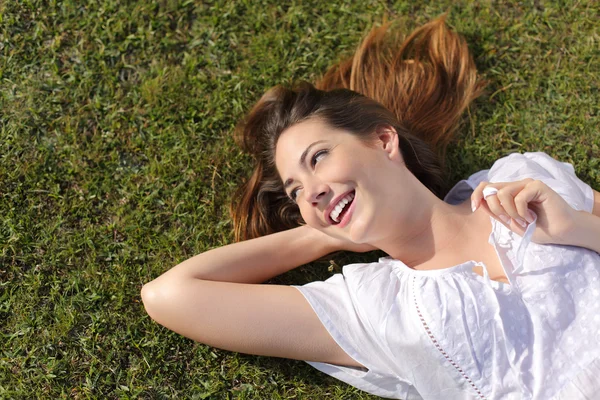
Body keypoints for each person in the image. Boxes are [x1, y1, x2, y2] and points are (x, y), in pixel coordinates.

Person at [140, 15, 600, 399]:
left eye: (319, 158)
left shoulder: (522, 179)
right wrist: (324, 230)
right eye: (296, 191)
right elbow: (171, 294)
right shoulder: (373, 307)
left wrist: (579, 228)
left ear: (383, 140)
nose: (311, 192)